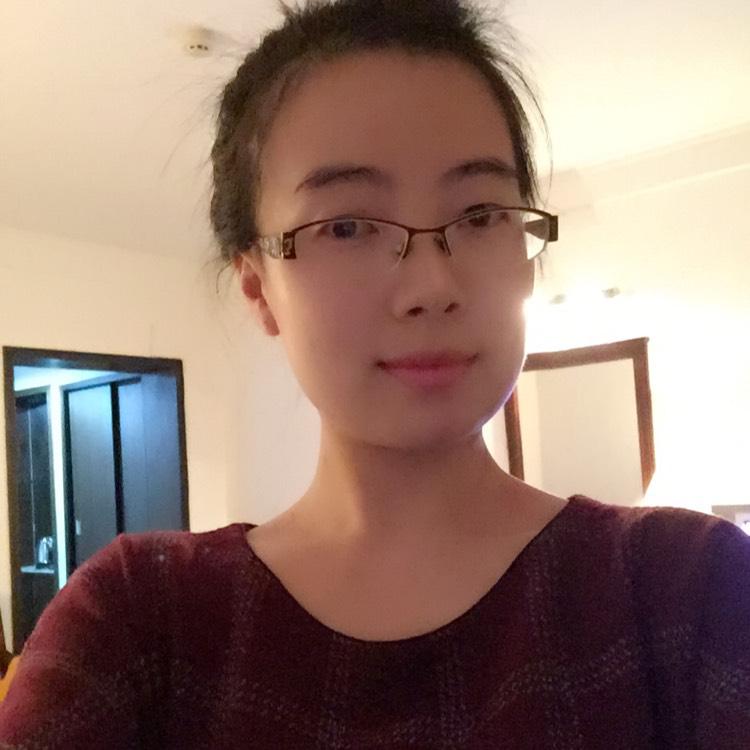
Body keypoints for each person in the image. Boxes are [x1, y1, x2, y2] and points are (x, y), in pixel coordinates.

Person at [1, 0, 748, 747]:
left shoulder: (686, 589)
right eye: (348, 226)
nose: (432, 286)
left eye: (481, 215)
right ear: (259, 287)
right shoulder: (139, 622)